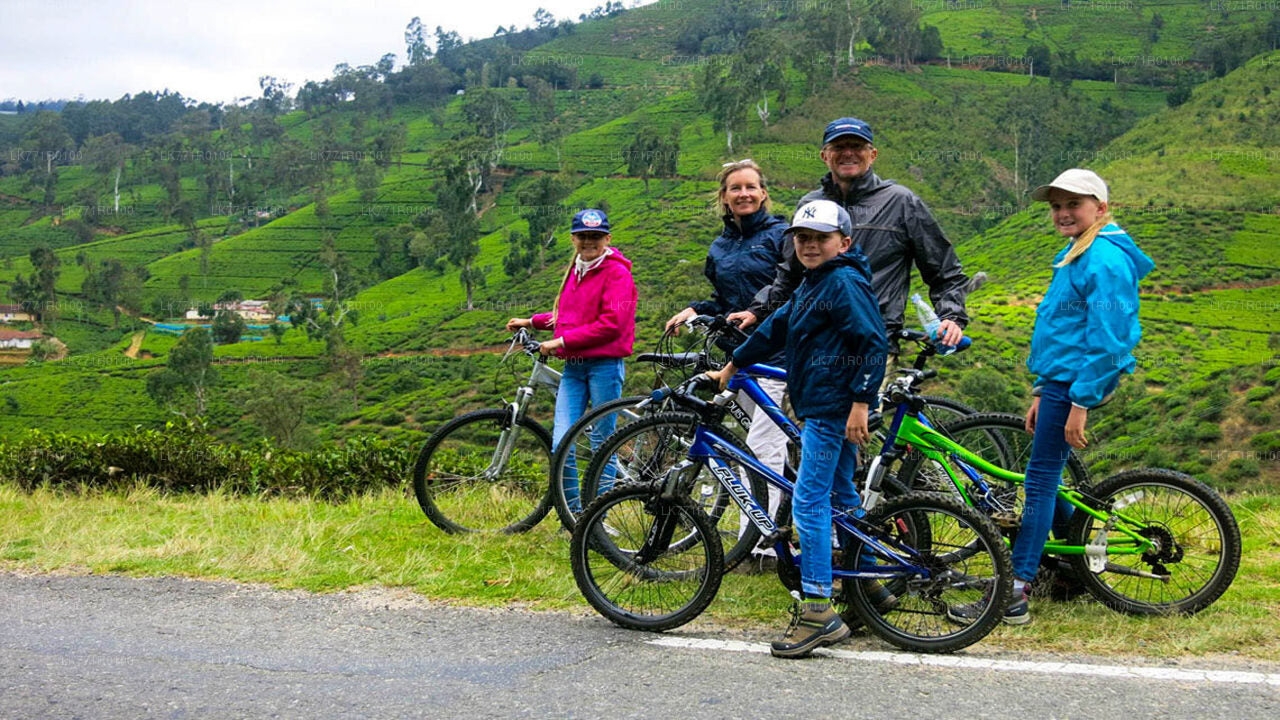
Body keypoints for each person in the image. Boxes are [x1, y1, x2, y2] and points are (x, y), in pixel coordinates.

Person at [949, 169, 1153, 626]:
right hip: (1060, 382)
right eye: (1056, 206)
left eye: (1073, 205)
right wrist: (1044, 390)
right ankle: (1071, 570)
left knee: (1038, 481)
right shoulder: (1078, 251)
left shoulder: (1103, 259)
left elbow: (1109, 340)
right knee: (1048, 476)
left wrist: (1080, 402)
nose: (1062, 213)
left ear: (1100, 209)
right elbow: (1064, 334)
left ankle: (1013, 591)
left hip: (1076, 384)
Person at [707, 199, 888, 658]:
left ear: (843, 243)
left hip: (833, 410)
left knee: (808, 503)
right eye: (803, 238)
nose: (809, 245)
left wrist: (862, 404)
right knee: (843, 496)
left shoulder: (843, 282)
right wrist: (732, 366)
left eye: (820, 238)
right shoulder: (815, 283)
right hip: (825, 406)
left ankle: (817, 611)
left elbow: (872, 342)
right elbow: (774, 329)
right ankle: (872, 589)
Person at [729, 117, 970, 355]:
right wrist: (758, 310)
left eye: (856, 146)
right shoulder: (809, 205)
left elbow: (944, 271)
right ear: (825, 156)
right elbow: (790, 275)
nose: (848, 153)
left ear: (872, 154)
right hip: (813, 345)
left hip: (872, 344)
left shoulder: (901, 202)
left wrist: (951, 316)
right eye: (839, 147)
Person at [664, 159, 790, 566]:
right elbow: (722, 302)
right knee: (747, 447)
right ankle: (773, 530)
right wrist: (693, 309)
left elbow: (786, 288)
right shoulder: (720, 247)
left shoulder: (779, 236)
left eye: (751, 187)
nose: (744, 194)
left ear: (764, 192)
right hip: (737, 359)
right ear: (724, 197)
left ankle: (759, 547)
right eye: (735, 188)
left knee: (761, 449)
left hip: (777, 354)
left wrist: (757, 311)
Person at [506, 209, 637, 512]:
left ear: (608, 238)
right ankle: (574, 515)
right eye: (583, 236)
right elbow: (568, 317)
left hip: (605, 365)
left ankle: (597, 519)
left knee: (603, 445)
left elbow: (612, 324)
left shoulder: (617, 273)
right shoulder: (576, 269)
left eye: (596, 236)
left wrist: (561, 342)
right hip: (574, 367)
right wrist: (531, 321)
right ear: (573, 238)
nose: (589, 241)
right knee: (561, 444)